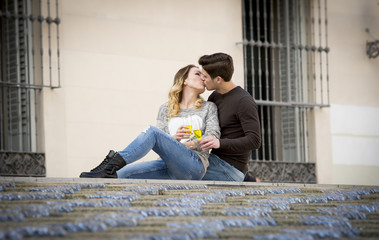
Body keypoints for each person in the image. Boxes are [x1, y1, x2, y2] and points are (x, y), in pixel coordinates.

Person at [79, 64, 220, 180]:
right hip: (167, 165)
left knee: (152, 132)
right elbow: (162, 145)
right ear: (185, 80)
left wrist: (180, 145)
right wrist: (174, 139)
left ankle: (110, 163)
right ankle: (108, 170)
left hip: (194, 166)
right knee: (121, 173)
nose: (203, 77)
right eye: (197, 74)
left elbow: (211, 139)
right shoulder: (166, 109)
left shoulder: (208, 107)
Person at [197, 53, 261, 182]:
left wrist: (219, 143)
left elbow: (254, 140)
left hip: (230, 168)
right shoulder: (215, 96)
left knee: (183, 175)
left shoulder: (244, 101)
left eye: (205, 76)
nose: (202, 79)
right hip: (213, 161)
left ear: (218, 79)